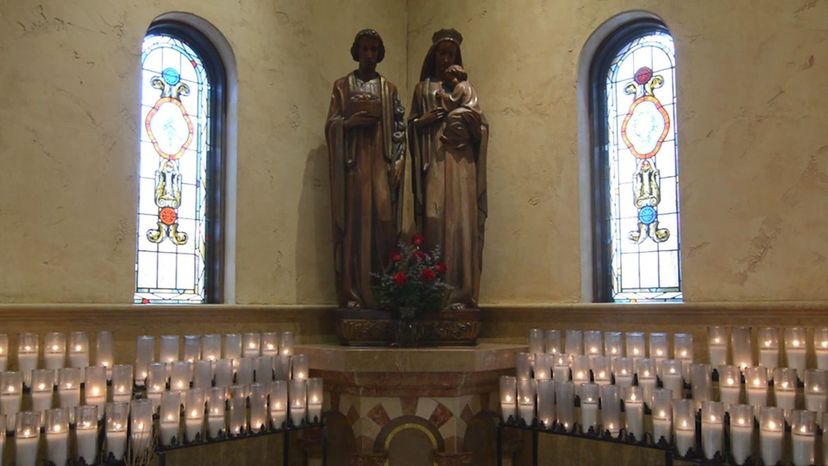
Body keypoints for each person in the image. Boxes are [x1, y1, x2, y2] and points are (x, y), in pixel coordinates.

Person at [325, 29, 406, 309]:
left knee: (384, 222)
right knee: (357, 227)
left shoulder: (389, 89)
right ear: (356, 52)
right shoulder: (342, 86)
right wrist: (348, 124)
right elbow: (331, 124)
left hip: (380, 165)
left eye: (374, 50)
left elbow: (399, 130)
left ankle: (383, 294)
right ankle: (354, 295)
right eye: (365, 49)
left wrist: (397, 164)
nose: (369, 55)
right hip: (355, 167)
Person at [408, 29, 489, 309]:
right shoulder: (422, 89)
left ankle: (460, 293)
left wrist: (464, 122)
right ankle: (432, 292)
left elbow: (481, 126)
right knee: (434, 218)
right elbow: (410, 126)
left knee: (460, 222)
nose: (445, 58)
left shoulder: (465, 88)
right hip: (434, 160)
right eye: (442, 53)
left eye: (451, 54)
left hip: (461, 161)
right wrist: (423, 121)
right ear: (433, 55)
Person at [435, 64, 483, 149]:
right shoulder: (468, 85)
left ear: (458, 76)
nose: (450, 84)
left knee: (451, 116)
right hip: (474, 112)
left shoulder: (460, 86)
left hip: (468, 110)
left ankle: (460, 139)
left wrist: (442, 95)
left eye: (450, 80)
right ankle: (460, 140)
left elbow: (452, 100)